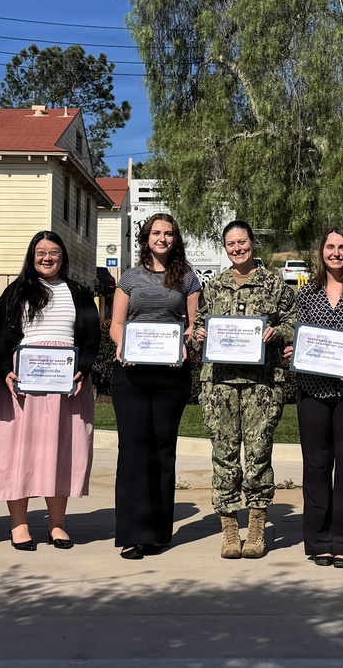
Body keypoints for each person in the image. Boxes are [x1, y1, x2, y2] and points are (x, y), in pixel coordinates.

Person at [0, 231, 100, 551]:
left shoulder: (78, 292)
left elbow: (91, 337)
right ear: (31, 256)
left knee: (60, 452)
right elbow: (0, 336)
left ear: (63, 257)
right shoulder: (15, 292)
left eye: (53, 252)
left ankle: (57, 524)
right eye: (40, 252)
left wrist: (84, 369)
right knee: (18, 454)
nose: (47, 258)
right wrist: (7, 370)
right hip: (22, 385)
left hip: (66, 387)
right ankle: (19, 524)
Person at [194, 221, 296, 559]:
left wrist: (276, 333)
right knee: (223, 457)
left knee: (257, 455)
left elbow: (293, 323)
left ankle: (255, 529)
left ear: (253, 243)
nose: (238, 248)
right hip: (220, 385)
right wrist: (199, 335)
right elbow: (196, 327)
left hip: (261, 386)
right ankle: (228, 531)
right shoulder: (214, 286)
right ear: (225, 248)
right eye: (231, 244)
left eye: (243, 242)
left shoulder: (274, 285)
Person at [285, 228, 343, 569]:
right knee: (316, 467)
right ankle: (319, 540)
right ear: (321, 251)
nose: (336, 253)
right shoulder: (307, 294)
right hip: (313, 391)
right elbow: (303, 336)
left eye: (341, 247)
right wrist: (296, 351)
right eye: (330, 246)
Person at [111, 213, 201, 560]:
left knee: (163, 451)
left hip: (170, 374)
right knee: (134, 451)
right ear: (145, 237)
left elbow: (193, 325)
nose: (162, 238)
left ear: (175, 239)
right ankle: (134, 534)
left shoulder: (187, 278)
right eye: (156, 233)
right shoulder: (129, 278)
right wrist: (122, 346)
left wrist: (186, 342)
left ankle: (159, 531)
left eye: (168, 233)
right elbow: (118, 323)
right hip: (130, 373)